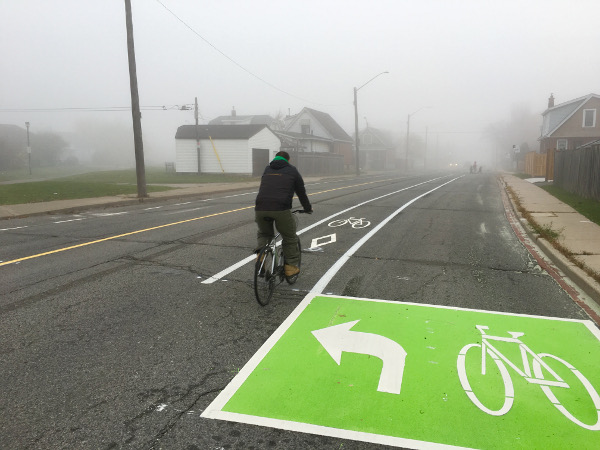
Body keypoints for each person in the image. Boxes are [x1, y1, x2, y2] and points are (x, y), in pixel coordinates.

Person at [255, 151, 312, 277]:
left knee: (264, 233)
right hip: (280, 208)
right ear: (288, 160)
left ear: (275, 158)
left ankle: (260, 257)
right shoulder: (292, 170)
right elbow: (301, 192)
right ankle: (290, 268)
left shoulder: (267, 169)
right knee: (290, 237)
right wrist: (307, 208)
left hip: (260, 207)